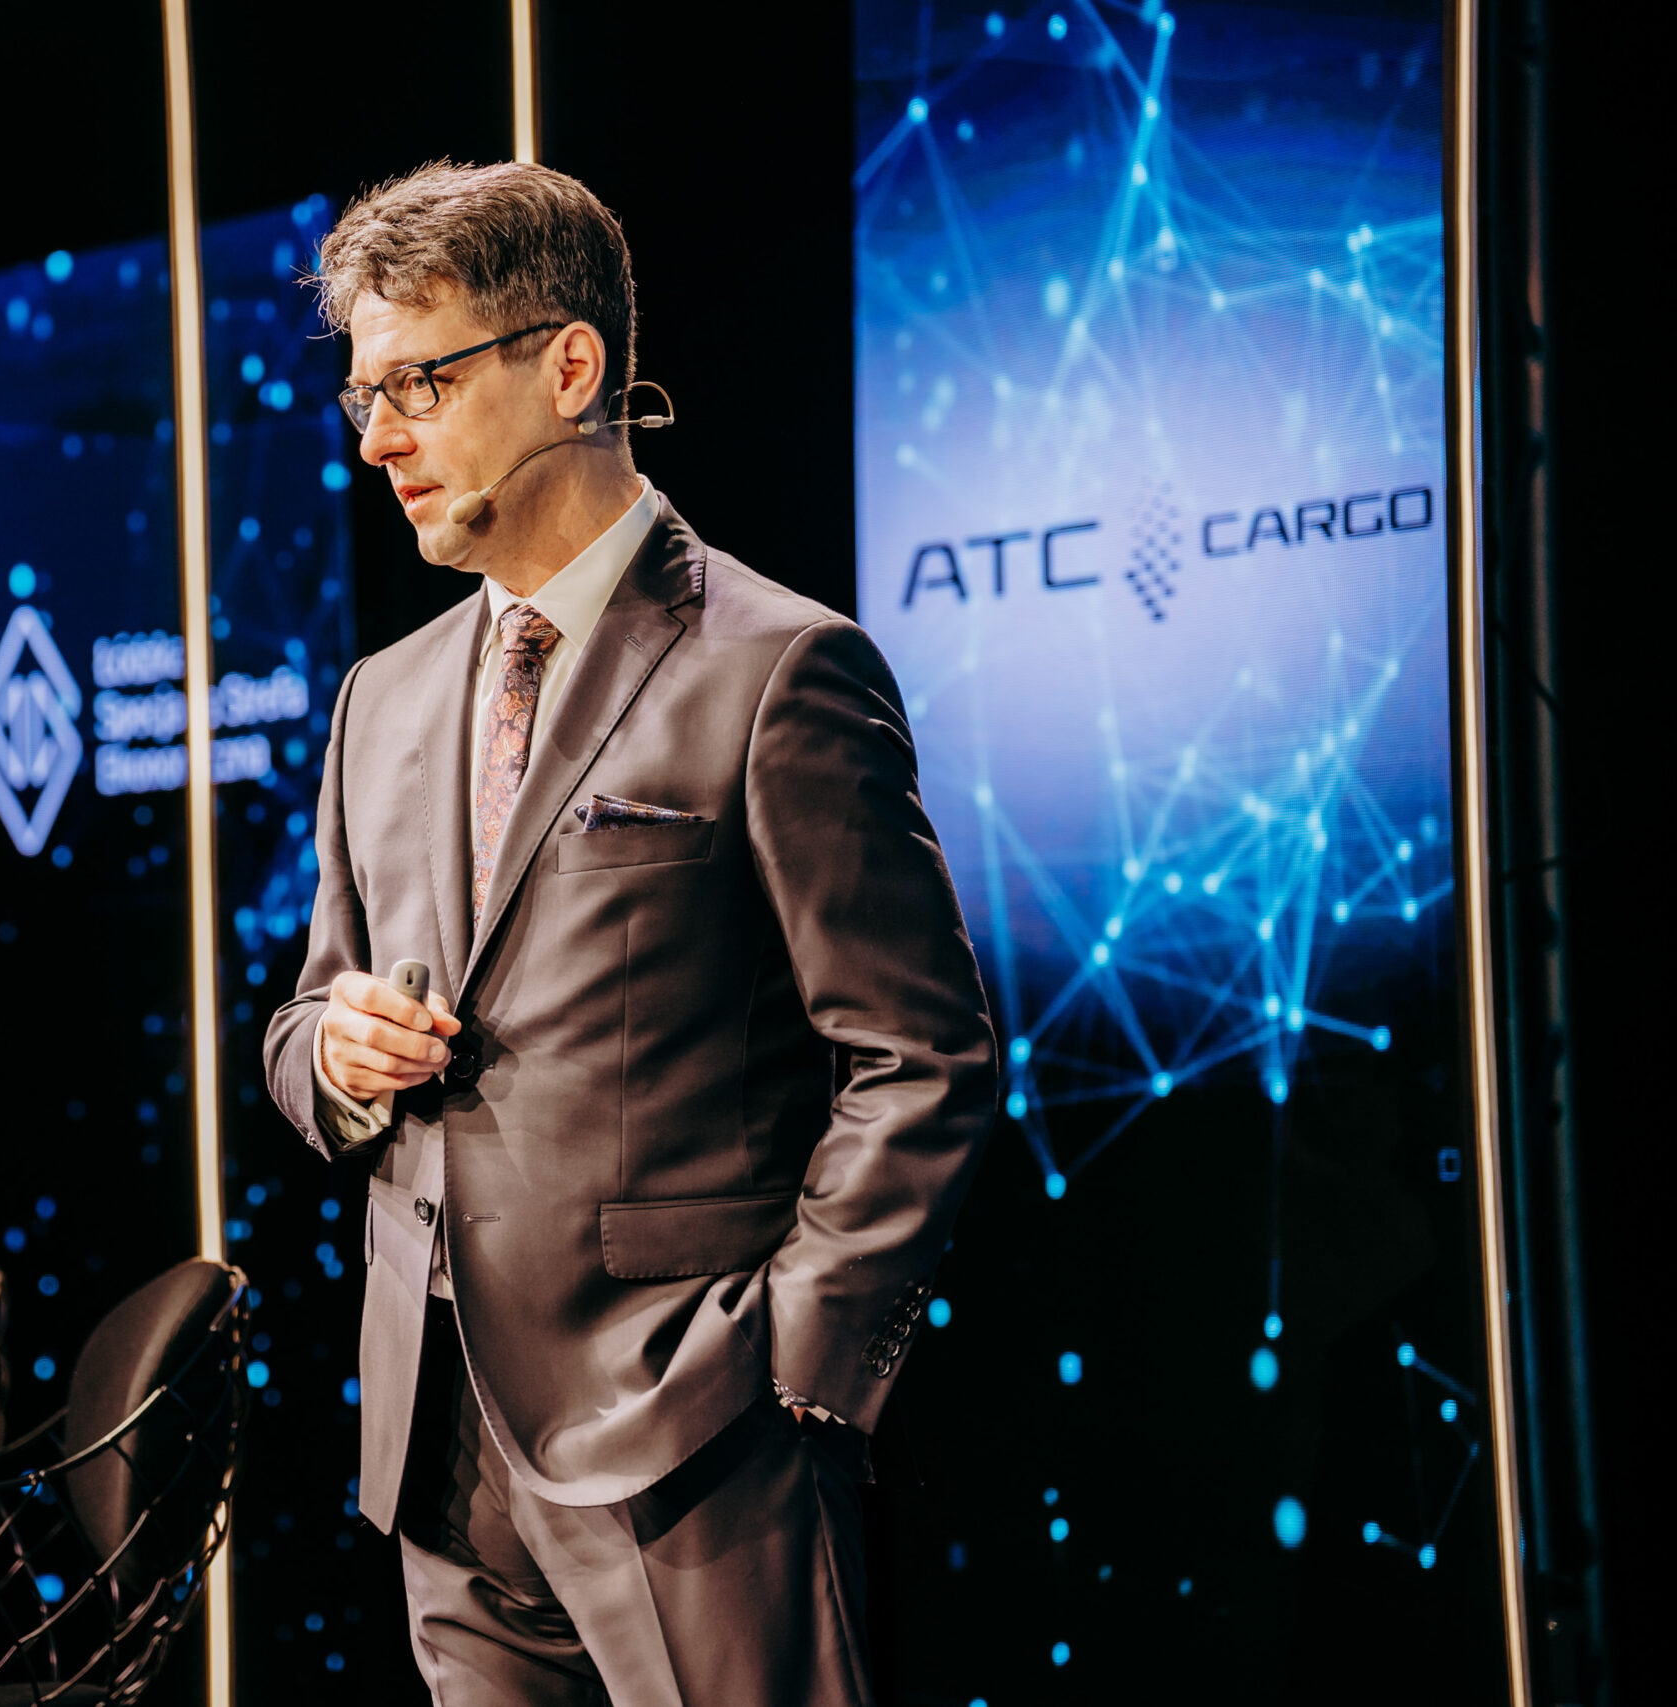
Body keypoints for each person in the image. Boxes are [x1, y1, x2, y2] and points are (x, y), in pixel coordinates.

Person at [263, 159, 996, 1707]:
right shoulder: (379, 700)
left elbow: (922, 1057)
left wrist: (800, 1370)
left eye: (420, 383)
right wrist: (333, 1054)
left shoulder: (778, 668)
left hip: (697, 1447)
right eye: (365, 397)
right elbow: (303, 1019)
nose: (379, 438)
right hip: (438, 1452)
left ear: (570, 367)